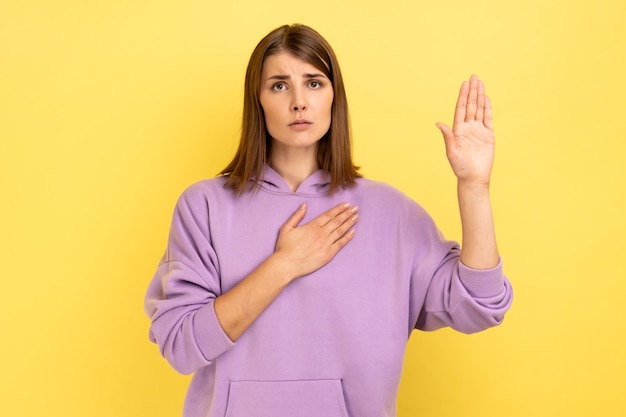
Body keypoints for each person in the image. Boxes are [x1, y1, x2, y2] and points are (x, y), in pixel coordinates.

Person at [144, 23, 513, 417]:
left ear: (334, 97)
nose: (299, 101)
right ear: (258, 100)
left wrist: (473, 186)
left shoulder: (391, 213)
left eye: (314, 83)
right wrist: (284, 264)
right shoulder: (205, 206)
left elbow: (481, 305)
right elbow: (182, 345)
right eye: (280, 85)